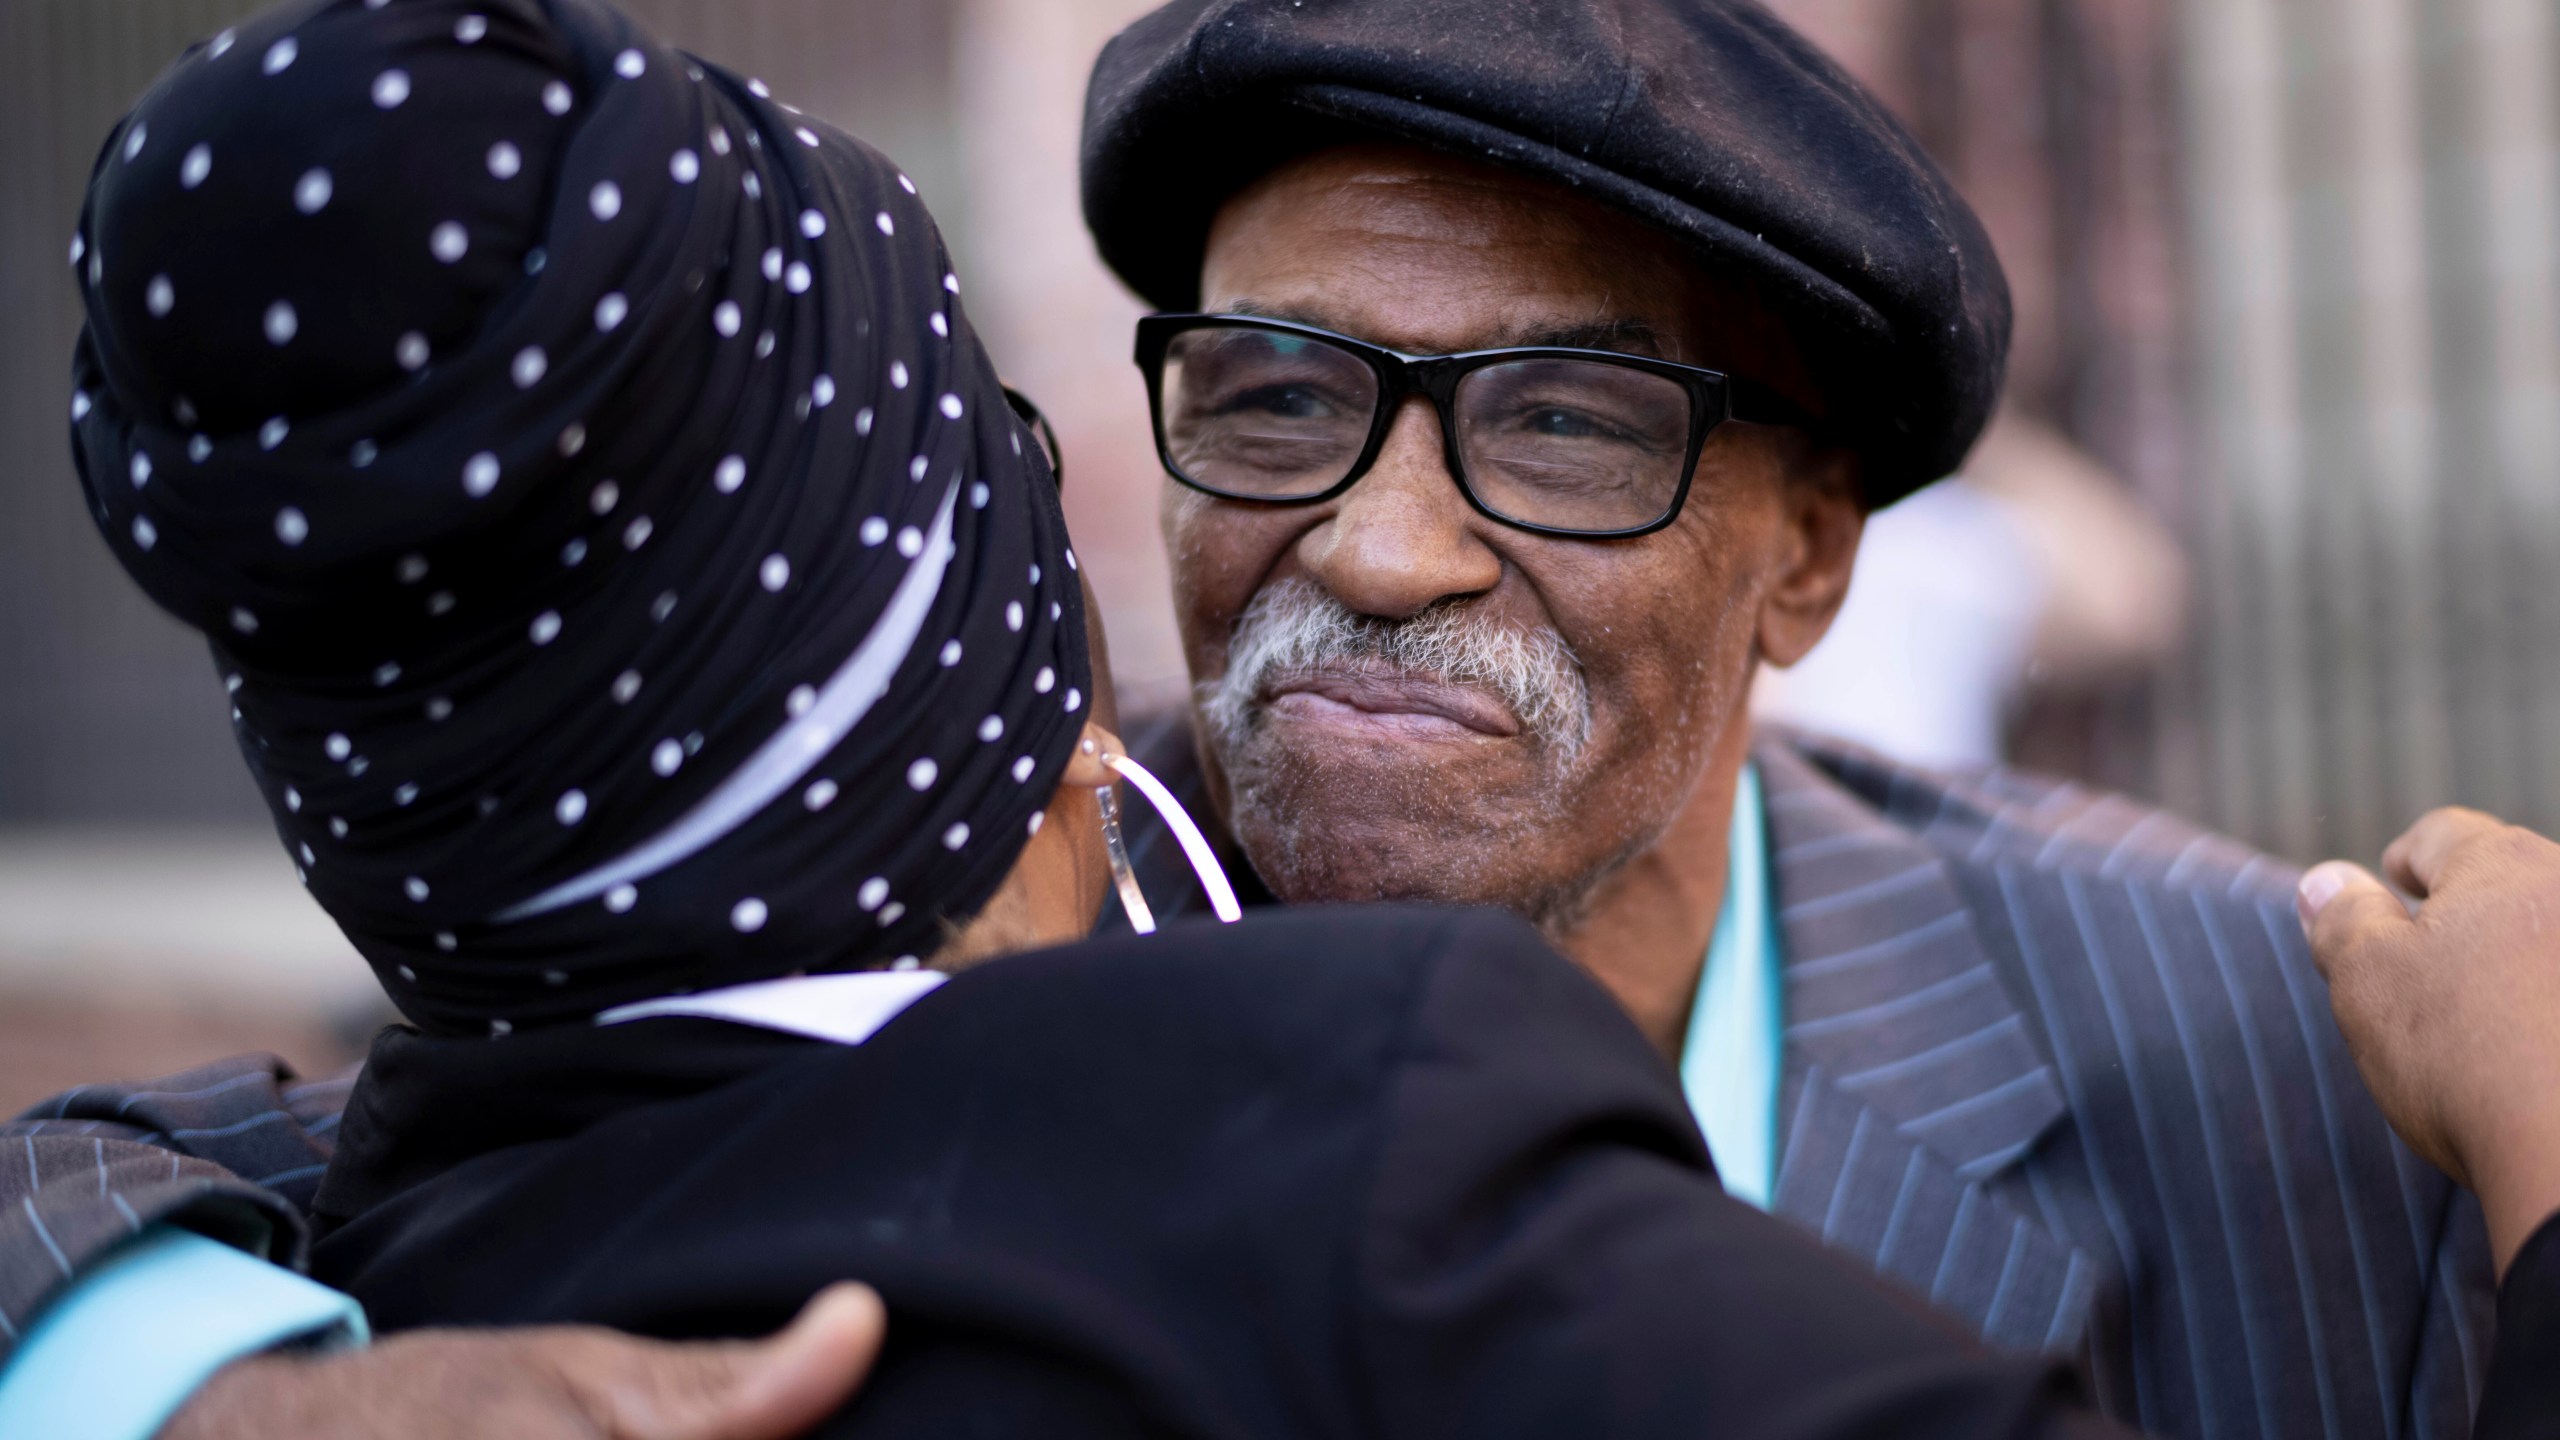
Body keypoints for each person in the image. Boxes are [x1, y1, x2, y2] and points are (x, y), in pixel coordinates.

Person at [0, 0, 2518, 1436]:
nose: (1383, 546)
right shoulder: (949, 887)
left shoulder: (2283, 1076)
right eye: (1283, 392)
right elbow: (253, 1140)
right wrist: (173, 1377)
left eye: (1558, 422)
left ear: (1811, 555)